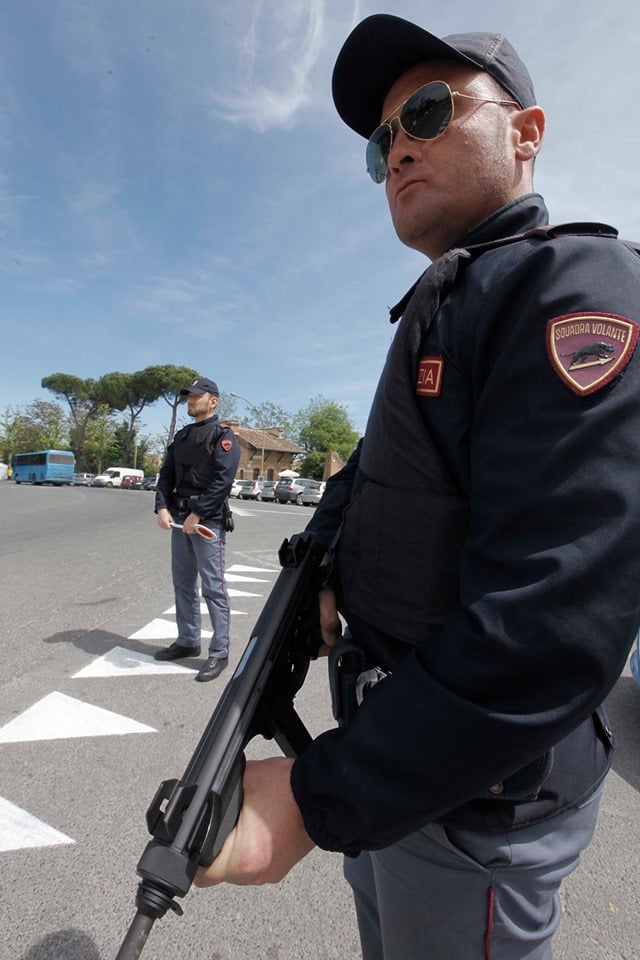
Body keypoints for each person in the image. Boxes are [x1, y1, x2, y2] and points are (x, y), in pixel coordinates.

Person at [195, 14, 640, 959]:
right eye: (381, 140)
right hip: (408, 772)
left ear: (526, 133)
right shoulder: (454, 299)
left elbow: (547, 627)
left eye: (430, 112)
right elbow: (387, 480)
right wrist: (327, 571)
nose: (398, 146)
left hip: (476, 800)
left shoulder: (572, 289)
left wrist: (317, 801)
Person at [154, 377, 239, 682]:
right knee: (183, 583)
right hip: (179, 518)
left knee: (213, 587)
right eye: (188, 396)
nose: (190, 400)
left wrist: (198, 513)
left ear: (212, 401)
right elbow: (165, 474)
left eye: (196, 396)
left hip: (207, 522)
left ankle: (219, 653)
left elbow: (223, 481)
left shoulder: (222, 436)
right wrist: (162, 507)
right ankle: (188, 641)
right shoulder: (182, 436)